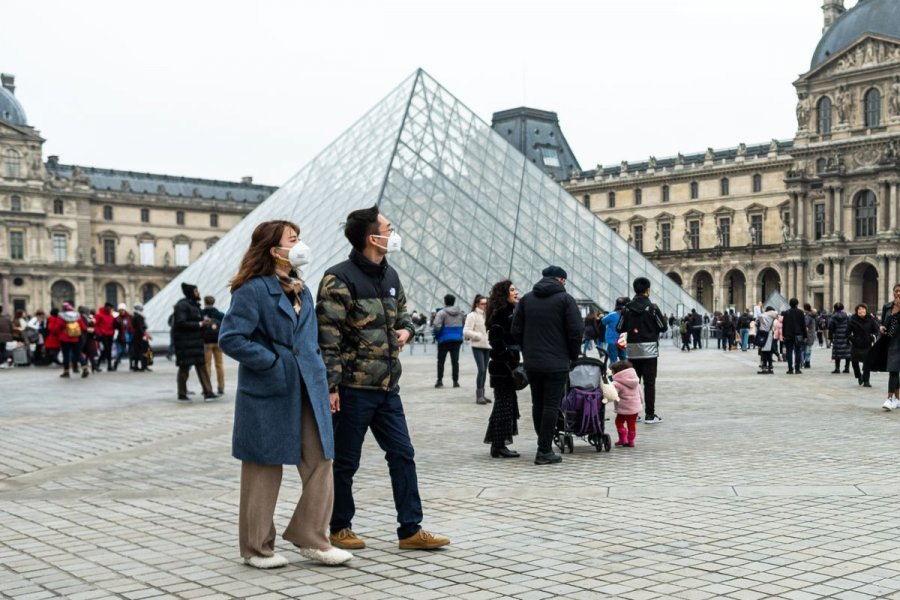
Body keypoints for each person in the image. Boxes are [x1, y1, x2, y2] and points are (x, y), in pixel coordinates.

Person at [218, 219, 351, 569]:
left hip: (309, 385)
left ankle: (312, 537)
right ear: (274, 250)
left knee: (321, 458)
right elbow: (230, 338)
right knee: (264, 465)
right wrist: (272, 362)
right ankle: (256, 548)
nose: (300, 244)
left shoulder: (302, 288)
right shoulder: (252, 289)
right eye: (293, 240)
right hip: (271, 386)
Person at [317, 205, 449, 551]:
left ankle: (410, 529)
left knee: (403, 454)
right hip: (352, 387)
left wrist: (405, 330)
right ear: (371, 237)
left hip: (388, 386)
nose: (393, 234)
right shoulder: (338, 278)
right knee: (346, 461)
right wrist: (331, 386)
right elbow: (326, 337)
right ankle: (338, 526)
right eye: (388, 228)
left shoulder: (390, 276)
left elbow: (404, 313)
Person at [511, 265, 582, 465]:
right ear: (560, 280)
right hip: (557, 362)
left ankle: (543, 445)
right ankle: (544, 450)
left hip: (533, 363)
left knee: (538, 404)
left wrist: (527, 348)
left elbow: (515, 329)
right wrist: (573, 356)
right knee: (551, 405)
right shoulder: (565, 300)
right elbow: (576, 331)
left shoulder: (526, 299)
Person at [617, 277, 668, 424]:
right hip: (650, 351)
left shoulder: (626, 308)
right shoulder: (653, 308)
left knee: (634, 382)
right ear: (648, 290)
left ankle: (634, 414)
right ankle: (650, 415)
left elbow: (619, 328)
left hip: (632, 351)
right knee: (649, 383)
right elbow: (663, 327)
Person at [483, 280, 521, 458]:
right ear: (504, 293)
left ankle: (497, 444)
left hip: (504, 365)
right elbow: (495, 340)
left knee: (503, 405)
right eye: (512, 290)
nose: (516, 292)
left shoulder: (508, 312)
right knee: (504, 406)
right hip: (502, 367)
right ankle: (499, 446)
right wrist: (509, 355)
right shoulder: (501, 313)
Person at [172, 283, 218, 401]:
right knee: (184, 368)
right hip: (185, 343)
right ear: (190, 292)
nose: (198, 293)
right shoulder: (182, 306)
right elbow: (180, 323)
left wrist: (205, 322)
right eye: (196, 291)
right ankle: (182, 393)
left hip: (196, 342)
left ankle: (208, 392)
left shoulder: (194, 305)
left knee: (201, 367)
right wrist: (199, 324)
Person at [463, 294, 491, 405]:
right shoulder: (472, 316)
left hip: (488, 346)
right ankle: (479, 396)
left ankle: (482, 394)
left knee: (485, 371)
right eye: (483, 304)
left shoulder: (488, 315)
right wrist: (477, 335)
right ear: (477, 304)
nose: (485, 305)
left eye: (486, 303)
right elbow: (466, 331)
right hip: (478, 346)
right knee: (482, 370)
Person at [432, 294, 465, 388]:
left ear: (445, 301)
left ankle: (439, 380)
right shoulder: (460, 313)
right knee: (455, 361)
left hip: (444, 340)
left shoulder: (441, 312)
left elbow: (436, 325)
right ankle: (455, 381)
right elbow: (463, 324)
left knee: (441, 361)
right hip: (456, 340)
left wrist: (437, 336)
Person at [610, 360, 642, 447]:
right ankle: (631, 441)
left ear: (617, 372)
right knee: (631, 425)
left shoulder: (616, 383)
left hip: (623, 409)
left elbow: (613, 394)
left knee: (619, 422)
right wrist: (641, 403)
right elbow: (640, 394)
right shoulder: (635, 382)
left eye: (613, 372)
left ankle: (623, 439)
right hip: (634, 409)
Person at [56, 302, 89, 378]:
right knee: (78, 353)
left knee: (66, 355)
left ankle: (66, 372)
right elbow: (83, 327)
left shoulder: (61, 316)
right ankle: (84, 368)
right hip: (75, 338)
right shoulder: (77, 316)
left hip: (64, 338)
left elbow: (56, 328)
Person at [848, 303, 878, 388]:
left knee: (867, 363)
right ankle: (858, 376)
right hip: (856, 344)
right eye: (860, 309)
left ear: (866, 310)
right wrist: (852, 339)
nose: (862, 311)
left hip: (867, 344)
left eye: (863, 309)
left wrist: (873, 337)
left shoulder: (871, 319)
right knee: (854, 362)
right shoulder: (852, 320)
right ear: (857, 311)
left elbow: (876, 330)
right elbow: (848, 332)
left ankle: (866, 380)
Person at [881, 285, 900, 411]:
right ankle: (890, 398)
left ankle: (897, 400)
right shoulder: (887, 306)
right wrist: (881, 327)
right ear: (893, 292)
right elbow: (884, 322)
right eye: (896, 291)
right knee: (893, 370)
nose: (898, 293)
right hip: (893, 342)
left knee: (896, 370)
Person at [202, 295, 226, 395]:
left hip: (206, 342)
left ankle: (207, 388)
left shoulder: (201, 314)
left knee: (207, 365)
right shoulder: (219, 314)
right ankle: (221, 387)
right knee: (219, 365)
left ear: (205, 302)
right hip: (218, 342)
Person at [781, 298, 807, 374]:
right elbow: (803, 325)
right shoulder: (800, 312)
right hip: (798, 334)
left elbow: (784, 325)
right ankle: (797, 369)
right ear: (797, 304)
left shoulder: (786, 313)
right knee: (798, 351)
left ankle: (790, 369)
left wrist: (783, 334)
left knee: (789, 352)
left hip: (788, 335)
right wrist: (805, 335)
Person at [601, 298, 629, 363]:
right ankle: (625, 371)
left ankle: (614, 372)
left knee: (613, 360)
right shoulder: (626, 315)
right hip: (622, 341)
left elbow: (603, 321)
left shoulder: (612, 314)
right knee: (624, 358)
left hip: (612, 341)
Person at [829, 303, 851, 374]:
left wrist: (830, 337)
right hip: (845, 336)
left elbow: (831, 328)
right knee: (847, 353)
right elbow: (849, 325)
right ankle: (847, 368)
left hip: (837, 336)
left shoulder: (833, 317)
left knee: (837, 352)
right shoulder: (847, 316)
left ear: (834, 308)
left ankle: (837, 368)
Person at [93, 303, 115, 371]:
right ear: (105, 307)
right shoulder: (99, 315)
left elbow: (112, 324)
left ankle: (109, 366)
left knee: (109, 351)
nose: (110, 309)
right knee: (106, 350)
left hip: (110, 335)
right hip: (103, 335)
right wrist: (99, 333)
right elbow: (95, 325)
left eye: (110, 308)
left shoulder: (111, 315)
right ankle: (97, 364)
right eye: (109, 308)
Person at [756, 306, 778, 374]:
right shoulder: (772, 316)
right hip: (769, 334)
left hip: (764, 334)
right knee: (768, 352)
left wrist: (760, 309)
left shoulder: (765, 315)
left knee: (764, 352)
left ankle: (765, 367)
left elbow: (758, 317)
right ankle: (770, 366)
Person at [112, 304, 134, 371]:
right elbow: (114, 326)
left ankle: (131, 365)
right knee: (121, 351)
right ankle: (116, 363)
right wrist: (117, 323)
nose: (122, 312)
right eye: (120, 310)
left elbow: (133, 326)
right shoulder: (117, 319)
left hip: (129, 336)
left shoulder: (130, 317)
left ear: (125, 310)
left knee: (131, 351)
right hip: (121, 337)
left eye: (123, 310)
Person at [130, 303, 151, 372]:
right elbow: (140, 328)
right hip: (140, 336)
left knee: (138, 351)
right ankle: (143, 366)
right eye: (141, 308)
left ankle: (137, 366)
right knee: (144, 350)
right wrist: (145, 335)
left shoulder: (135, 316)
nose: (142, 310)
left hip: (137, 336)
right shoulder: (139, 316)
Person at [803, 304, 817, 369]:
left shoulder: (807, 316)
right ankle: (807, 362)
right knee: (808, 349)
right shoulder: (812, 315)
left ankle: (806, 362)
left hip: (807, 334)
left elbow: (805, 324)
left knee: (805, 349)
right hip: (811, 334)